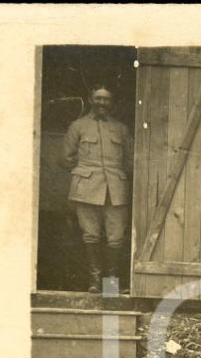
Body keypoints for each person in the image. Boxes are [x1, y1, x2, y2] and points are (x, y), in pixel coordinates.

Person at [61, 85, 133, 294]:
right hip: (86, 189)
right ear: (90, 100)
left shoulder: (121, 129)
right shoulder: (78, 126)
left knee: (116, 236)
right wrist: (85, 172)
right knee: (90, 235)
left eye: (106, 100)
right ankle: (94, 281)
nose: (102, 103)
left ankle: (110, 284)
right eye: (98, 99)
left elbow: (129, 160)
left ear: (112, 103)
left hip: (116, 190)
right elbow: (65, 158)